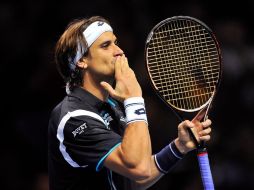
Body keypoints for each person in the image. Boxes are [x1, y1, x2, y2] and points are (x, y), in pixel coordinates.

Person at [48, 15, 212, 190]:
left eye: (115, 42)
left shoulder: (112, 106)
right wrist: (134, 97)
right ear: (81, 60)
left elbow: (135, 180)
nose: (119, 51)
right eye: (105, 46)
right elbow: (139, 168)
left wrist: (179, 147)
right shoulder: (73, 118)